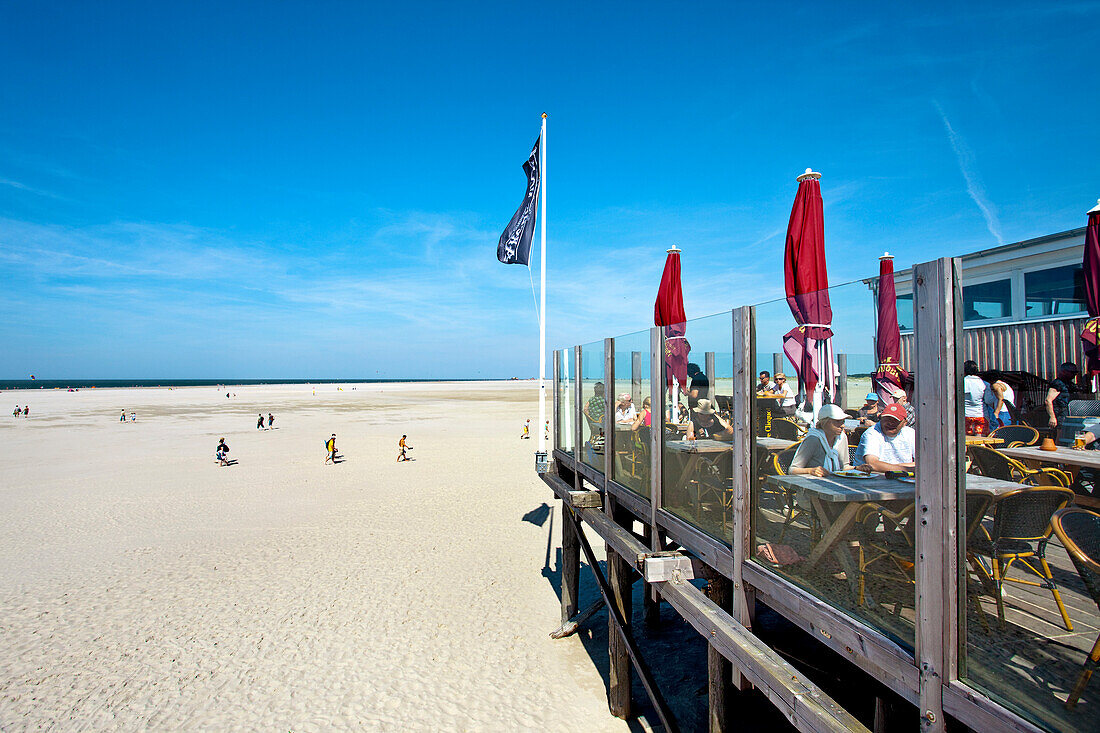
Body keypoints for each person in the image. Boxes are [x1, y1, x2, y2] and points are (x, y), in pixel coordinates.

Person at [789, 404, 869, 476]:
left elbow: (843, 467)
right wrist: (811, 471)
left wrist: (857, 468)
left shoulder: (842, 438)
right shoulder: (813, 439)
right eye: (837, 421)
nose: (843, 425)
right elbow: (792, 470)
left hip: (836, 484)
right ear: (825, 422)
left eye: (843, 421)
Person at [855, 403, 916, 473]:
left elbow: (923, 462)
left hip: (901, 478)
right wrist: (907, 468)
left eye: (895, 420)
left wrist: (888, 467)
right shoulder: (872, 433)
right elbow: (872, 464)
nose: (890, 423)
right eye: (886, 419)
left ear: (905, 422)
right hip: (872, 479)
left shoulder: (910, 433)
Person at [1045, 362, 1079, 436]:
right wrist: (1052, 417)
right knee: (1060, 436)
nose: (1074, 375)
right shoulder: (1057, 384)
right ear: (1064, 372)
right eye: (1072, 372)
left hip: (1068, 414)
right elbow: (1048, 400)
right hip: (1060, 415)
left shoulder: (1069, 385)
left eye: (1075, 373)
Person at [962, 361, 989, 436]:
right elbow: (987, 400)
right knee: (980, 440)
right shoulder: (983, 383)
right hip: (980, 414)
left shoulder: (963, 381)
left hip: (966, 414)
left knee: (967, 440)